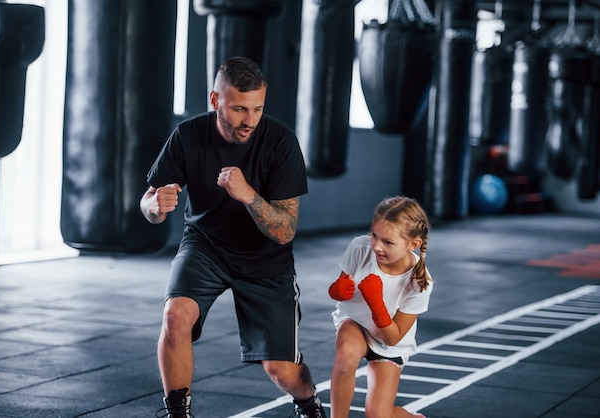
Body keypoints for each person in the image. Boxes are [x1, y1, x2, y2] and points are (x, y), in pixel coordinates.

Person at [140, 56, 326, 418]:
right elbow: (149, 201)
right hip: (205, 245)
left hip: (265, 257)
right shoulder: (189, 135)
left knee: (281, 370)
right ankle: (177, 414)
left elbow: (286, 230)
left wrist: (248, 196)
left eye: (257, 108)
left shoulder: (280, 141)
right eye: (240, 109)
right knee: (176, 316)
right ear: (215, 101)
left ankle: (308, 404)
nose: (250, 120)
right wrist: (156, 206)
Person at [327, 196, 433, 418]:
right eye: (374, 235)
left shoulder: (419, 282)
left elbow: (392, 338)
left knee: (378, 415)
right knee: (346, 356)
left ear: (412, 244)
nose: (376, 246)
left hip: (389, 343)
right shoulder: (360, 247)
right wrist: (337, 289)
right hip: (355, 323)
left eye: (388, 242)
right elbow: (342, 286)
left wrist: (376, 302)